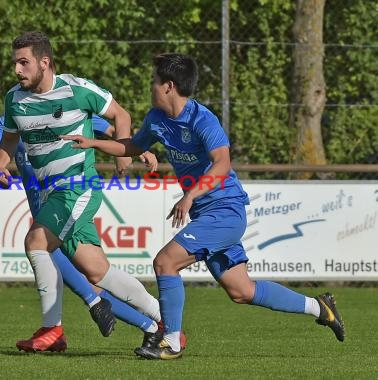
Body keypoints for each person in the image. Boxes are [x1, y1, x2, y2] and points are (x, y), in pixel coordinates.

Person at [61, 53, 345, 360]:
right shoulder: (156, 119)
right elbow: (132, 147)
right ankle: (321, 307)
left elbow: (222, 163)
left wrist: (190, 195)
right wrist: (93, 143)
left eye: (154, 82)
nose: (151, 87)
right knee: (241, 291)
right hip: (207, 214)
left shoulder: (202, 119)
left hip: (225, 210)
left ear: (168, 86)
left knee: (165, 262)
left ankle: (171, 341)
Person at [0, 31, 168, 354]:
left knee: (35, 241)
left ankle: (52, 330)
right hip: (50, 194)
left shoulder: (77, 90)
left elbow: (121, 116)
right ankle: (163, 319)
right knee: (97, 270)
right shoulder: (15, 99)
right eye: (15, 62)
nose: (17, 70)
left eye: (24, 62)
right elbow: (10, 140)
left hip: (77, 188)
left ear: (45, 62)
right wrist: (0, 165)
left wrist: (124, 153)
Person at [0, 111, 174, 352]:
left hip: (70, 203)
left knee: (49, 252)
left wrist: (140, 149)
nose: (19, 72)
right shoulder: (18, 113)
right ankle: (157, 325)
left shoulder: (72, 106)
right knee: (97, 274)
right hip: (51, 211)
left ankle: (64, 324)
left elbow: (114, 130)